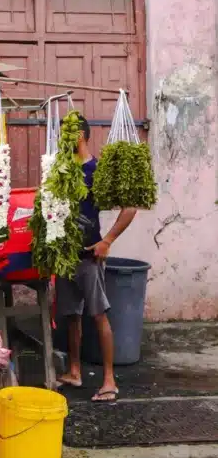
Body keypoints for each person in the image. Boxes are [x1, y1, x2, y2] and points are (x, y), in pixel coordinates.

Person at [56, 115, 137, 403]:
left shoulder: (96, 170)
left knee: (98, 315)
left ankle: (109, 381)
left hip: (90, 256)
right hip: (66, 256)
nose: (60, 138)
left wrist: (107, 241)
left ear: (79, 135)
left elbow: (129, 208)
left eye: (65, 133)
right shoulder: (62, 171)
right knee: (71, 316)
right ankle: (74, 371)